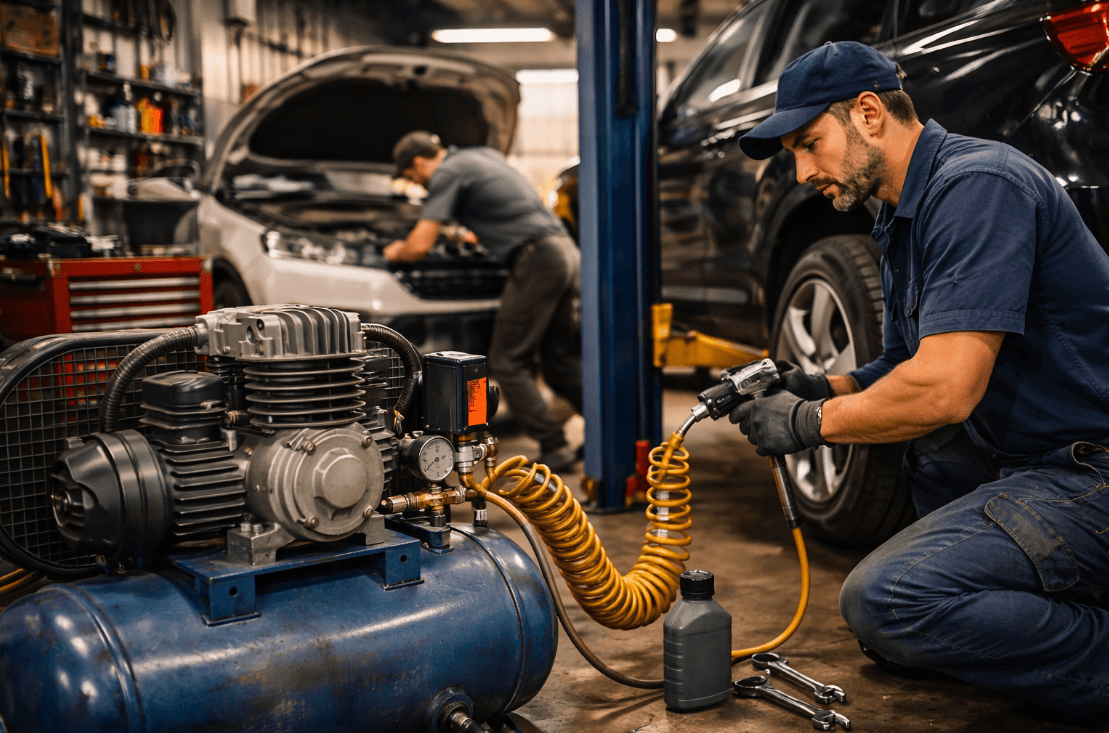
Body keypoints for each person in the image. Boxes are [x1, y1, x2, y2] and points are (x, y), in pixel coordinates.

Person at [733, 41, 1109, 717]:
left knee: (886, 600)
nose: (800, 172)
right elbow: (907, 366)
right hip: (1027, 463)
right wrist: (820, 388)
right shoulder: (900, 214)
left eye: (809, 143)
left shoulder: (977, 186)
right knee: (906, 609)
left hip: (1089, 472)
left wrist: (808, 424)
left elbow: (943, 389)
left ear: (868, 113)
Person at [385, 131, 583, 472]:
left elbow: (418, 246)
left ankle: (554, 445)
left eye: (410, 176)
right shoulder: (478, 155)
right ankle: (605, 437)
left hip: (537, 259)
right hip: (564, 252)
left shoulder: (445, 172)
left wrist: (394, 251)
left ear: (417, 163)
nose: (415, 184)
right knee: (560, 362)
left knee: (508, 361)